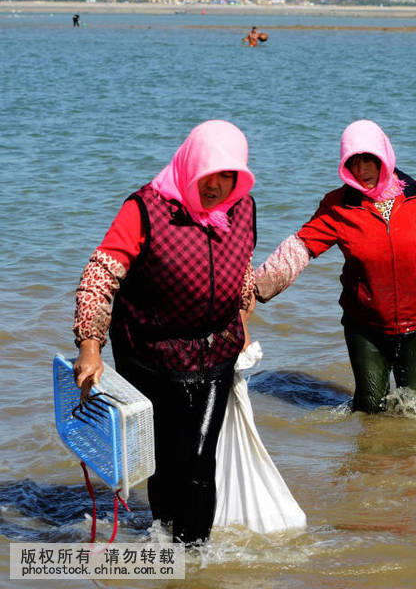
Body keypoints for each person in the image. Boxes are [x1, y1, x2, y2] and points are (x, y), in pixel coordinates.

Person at [72, 120, 258, 545]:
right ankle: (165, 540)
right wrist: (90, 346)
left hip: (216, 352)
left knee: (197, 460)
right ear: (190, 163)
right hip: (149, 356)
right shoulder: (145, 209)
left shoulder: (242, 207)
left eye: (227, 175)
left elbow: (240, 266)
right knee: (162, 462)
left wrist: (241, 324)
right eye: (208, 172)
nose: (216, 185)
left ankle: (194, 558)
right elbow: (100, 276)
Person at [253, 120, 416, 414]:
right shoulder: (338, 205)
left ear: (385, 158)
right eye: (353, 162)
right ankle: (370, 460)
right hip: (366, 328)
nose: (362, 170)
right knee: (369, 412)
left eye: (369, 160)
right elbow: (300, 248)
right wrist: (254, 289)